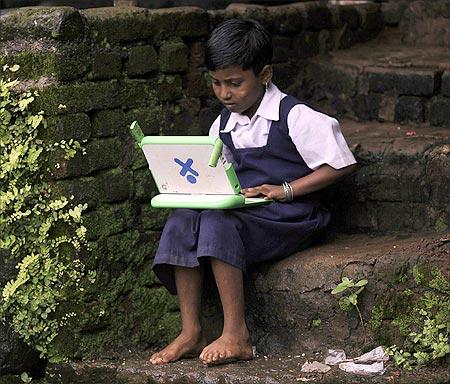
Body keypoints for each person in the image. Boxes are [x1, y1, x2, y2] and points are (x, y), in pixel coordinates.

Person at [149, 18, 357, 366]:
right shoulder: (223, 124)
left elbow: (342, 163)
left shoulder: (295, 116)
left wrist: (287, 190)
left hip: (291, 215)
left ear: (264, 74)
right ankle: (191, 330)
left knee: (217, 224)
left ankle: (236, 334)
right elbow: (215, 172)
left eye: (234, 83)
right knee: (182, 219)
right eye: (216, 83)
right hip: (249, 210)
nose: (224, 93)